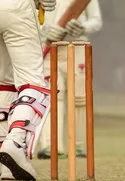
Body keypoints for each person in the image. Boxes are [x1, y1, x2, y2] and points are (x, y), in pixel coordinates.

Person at [0, 0, 56, 181]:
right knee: (33, 83)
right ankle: (15, 143)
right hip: (14, 7)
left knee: (0, 83)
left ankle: (7, 163)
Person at [36, 0, 103, 160]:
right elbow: (31, 17)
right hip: (49, 47)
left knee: (79, 98)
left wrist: (83, 28)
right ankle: (50, 145)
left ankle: (78, 145)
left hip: (78, 46)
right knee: (51, 97)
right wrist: (44, 31)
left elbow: (96, 20)